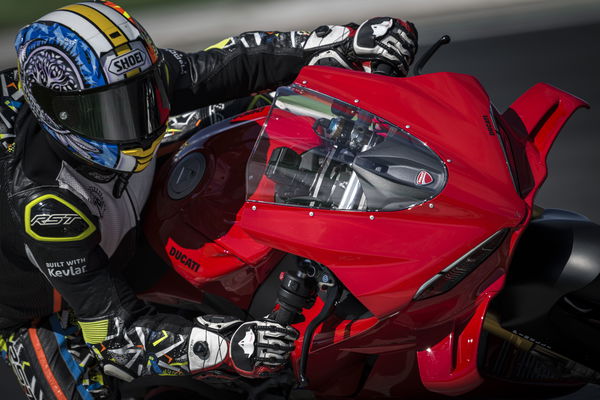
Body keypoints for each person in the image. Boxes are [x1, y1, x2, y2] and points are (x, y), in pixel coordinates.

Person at [0, 1, 418, 398]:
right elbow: (117, 333)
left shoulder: (128, 81)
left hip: (124, 223)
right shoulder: (47, 206)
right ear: (59, 116)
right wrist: (228, 344)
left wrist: (345, 42)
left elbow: (238, 60)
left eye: (142, 95)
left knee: (242, 100)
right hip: (41, 307)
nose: (137, 119)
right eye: (108, 112)